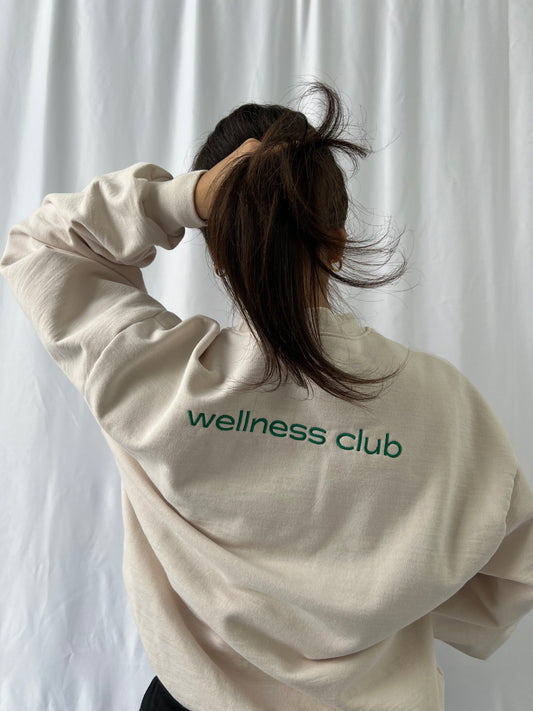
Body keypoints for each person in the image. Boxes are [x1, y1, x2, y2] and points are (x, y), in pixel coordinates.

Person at [1, 81, 532, 711]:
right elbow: (514, 576)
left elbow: (39, 247)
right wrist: (390, 593)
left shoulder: (154, 375)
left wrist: (182, 198)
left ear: (218, 254)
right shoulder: (448, 407)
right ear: (338, 245)